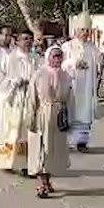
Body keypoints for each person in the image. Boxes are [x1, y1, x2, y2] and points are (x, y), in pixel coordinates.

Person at [27, 45, 73, 198]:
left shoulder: (66, 76)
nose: (57, 60)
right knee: (41, 149)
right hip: (43, 114)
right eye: (54, 56)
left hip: (58, 116)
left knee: (54, 150)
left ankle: (48, 181)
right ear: (48, 57)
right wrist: (31, 117)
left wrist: (70, 118)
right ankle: (42, 184)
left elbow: (70, 99)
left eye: (60, 56)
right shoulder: (39, 74)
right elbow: (32, 98)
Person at [0, 32, 36, 174]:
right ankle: (7, 161)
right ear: (17, 41)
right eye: (25, 39)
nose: (28, 42)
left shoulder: (35, 59)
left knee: (29, 131)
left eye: (30, 39)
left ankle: (26, 164)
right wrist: (15, 82)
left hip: (30, 99)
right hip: (14, 98)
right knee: (12, 131)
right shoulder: (10, 58)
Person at [61, 14, 103, 151]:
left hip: (86, 87)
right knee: (71, 111)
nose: (85, 33)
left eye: (87, 30)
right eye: (83, 30)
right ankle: (67, 141)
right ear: (76, 31)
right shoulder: (67, 47)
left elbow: (99, 66)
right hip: (72, 85)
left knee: (84, 113)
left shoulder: (92, 48)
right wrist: (74, 63)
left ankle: (81, 142)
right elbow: (60, 64)